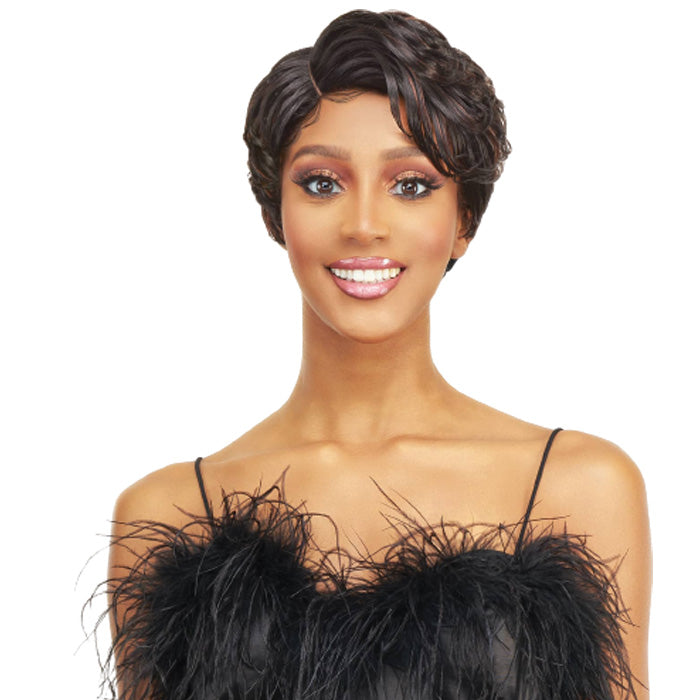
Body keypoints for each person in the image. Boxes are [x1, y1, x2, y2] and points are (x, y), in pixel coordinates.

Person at [104, 10, 651, 699]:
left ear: (464, 221)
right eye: (322, 183)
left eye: (411, 185)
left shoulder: (578, 487)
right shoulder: (170, 515)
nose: (364, 225)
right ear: (276, 214)